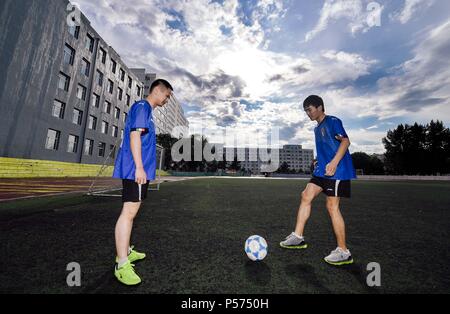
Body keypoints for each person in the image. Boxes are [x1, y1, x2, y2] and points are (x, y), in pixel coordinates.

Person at [280, 95, 356, 266]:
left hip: (337, 171)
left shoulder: (333, 121)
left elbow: (345, 141)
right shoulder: (316, 129)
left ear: (320, 107)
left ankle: (344, 252)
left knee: (331, 206)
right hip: (322, 171)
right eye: (306, 110)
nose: (308, 113)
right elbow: (325, 148)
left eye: (310, 109)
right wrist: (317, 160)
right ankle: (298, 237)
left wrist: (334, 163)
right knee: (306, 195)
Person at [112, 79, 173, 285]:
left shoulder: (148, 112)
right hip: (134, 170)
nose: (167, 100)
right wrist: (138, 167)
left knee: (132, 212)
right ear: (158, 91)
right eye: (167, 96)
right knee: (128, 214)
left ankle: (127, 251)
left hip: (140, 171)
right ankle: (121, 264)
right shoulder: (142, 107)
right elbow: (134, 137)